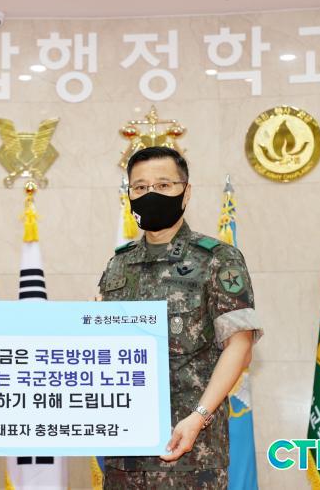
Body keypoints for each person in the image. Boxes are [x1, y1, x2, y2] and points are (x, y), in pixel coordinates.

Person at [99, 146, 263, 489]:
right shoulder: (117, 265)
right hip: (123, 457)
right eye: (140, 187)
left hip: (191, 454)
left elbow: (240, 346)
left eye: (163, 185)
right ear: (129, 195)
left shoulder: (218, 259)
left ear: (186, 192)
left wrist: (199, 417)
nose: (150, 194)